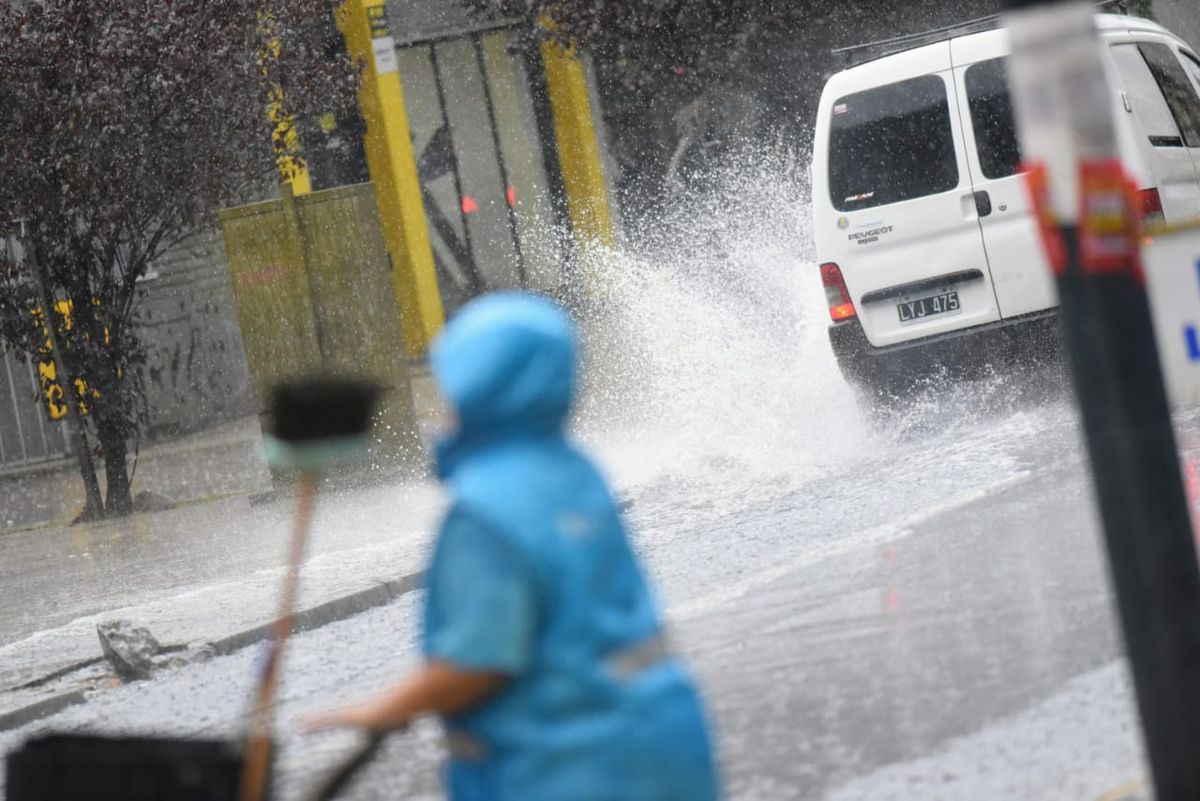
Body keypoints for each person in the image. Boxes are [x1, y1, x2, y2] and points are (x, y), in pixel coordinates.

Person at [305, 292, 719, 800]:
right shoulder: (575, 470)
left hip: (562, 769)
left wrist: (380, 710)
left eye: (451, 382)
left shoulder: (484, 511)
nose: (443, 401)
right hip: (662, 741)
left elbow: (478, 661)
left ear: (481, 386)